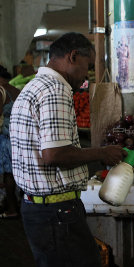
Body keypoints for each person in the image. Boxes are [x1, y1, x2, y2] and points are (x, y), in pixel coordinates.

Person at [10, 32, 127, 267]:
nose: (86, 76)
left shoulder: (34, 86)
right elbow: (55, 154)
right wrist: (102, 152)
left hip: (37, 208)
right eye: (87, 66)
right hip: (56, 211)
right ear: (73, 56)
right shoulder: (56, 89)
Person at [0, 65, 19, 219]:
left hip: (6, 139)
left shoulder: (1, 91)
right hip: (19, 137)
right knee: (19, 172)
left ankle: (12, 209)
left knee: (8, 175)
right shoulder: (15, 89)